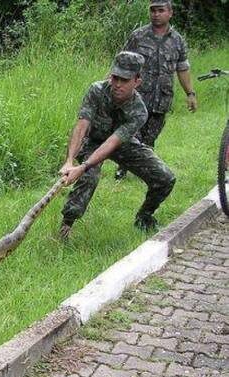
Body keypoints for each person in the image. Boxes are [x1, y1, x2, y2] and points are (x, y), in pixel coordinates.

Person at [59, 51, 176, 240]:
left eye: (125, 80)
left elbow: (114, 142)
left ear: (137, 81)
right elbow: (82, 126)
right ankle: (66, 225)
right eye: (115, 78)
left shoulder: (139, 111)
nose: (118, 84)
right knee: (89, 177)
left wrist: (83, 166)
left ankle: (144, 217)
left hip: (122, 144)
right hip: (93, 142)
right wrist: (70, 161)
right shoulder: (96, 90)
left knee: (165, 177)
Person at [115, 0, 197, 180]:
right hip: (137, 97)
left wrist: (190, 94)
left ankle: (146, 170)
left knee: (150, 138)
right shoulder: (138, 36)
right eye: (153, 10)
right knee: (131, 133)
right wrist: (112, 87)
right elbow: (121, 63)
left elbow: (182, 68)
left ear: (170, 13)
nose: (156, 14)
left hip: (162, 99)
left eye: (160, 10)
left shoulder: (177, 40)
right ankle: (123, 168)